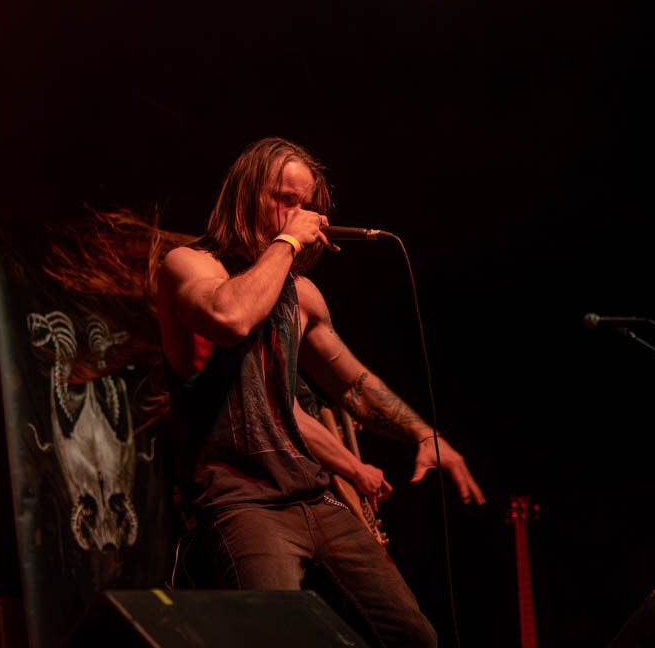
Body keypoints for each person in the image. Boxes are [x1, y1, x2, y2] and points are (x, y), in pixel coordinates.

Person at [156, 137, 485, 648]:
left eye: (305, 203)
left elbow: (352, 385)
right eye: (284, 199)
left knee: (414, 636)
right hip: (241, 501)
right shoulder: (189, 264)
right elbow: (230, 317)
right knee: (279, 638)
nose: (301, 214)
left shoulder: (301, 293)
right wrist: (287, 240)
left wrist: (423, 433)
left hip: (313, 494)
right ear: (244, 195)